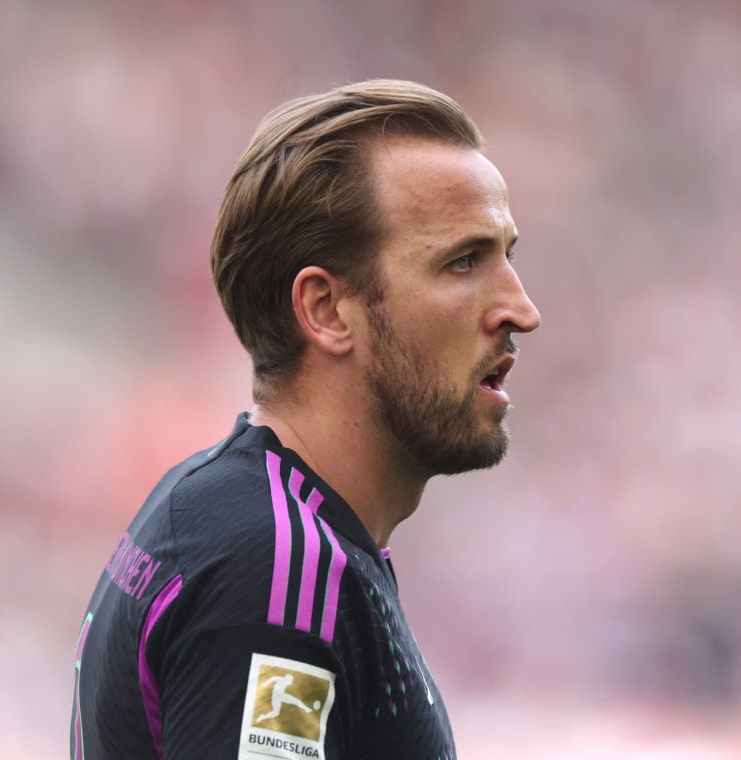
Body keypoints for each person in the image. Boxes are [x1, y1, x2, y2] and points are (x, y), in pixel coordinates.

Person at [69, 79, 541, 760]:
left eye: (507, 257)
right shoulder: (280, 568)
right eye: (463, 262)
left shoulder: (222, 507)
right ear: (326, 310)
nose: (521, 310)